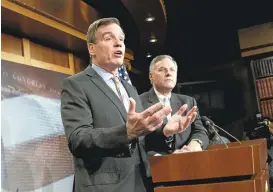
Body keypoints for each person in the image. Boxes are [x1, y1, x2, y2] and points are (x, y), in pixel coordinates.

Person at [61, 18, 198, 192]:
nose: (118, 43)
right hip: (105, 187)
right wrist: (126, 132)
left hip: (141, 183)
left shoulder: (130, 89)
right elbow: (78, 139)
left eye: (121, 39)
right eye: (109, 38)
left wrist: (164, 131)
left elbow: (139, 138)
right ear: (92, 48)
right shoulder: (76, 85)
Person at [140, 55, 209, 154]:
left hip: (187, 160)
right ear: (151, 76)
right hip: (154, 164)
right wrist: (157, 156)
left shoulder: (188, 102)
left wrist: (194, 146)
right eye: (162, 70)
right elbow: (137, 141)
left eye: (172, 70)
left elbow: (199, 131)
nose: (168, 73)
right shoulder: (139, 102)